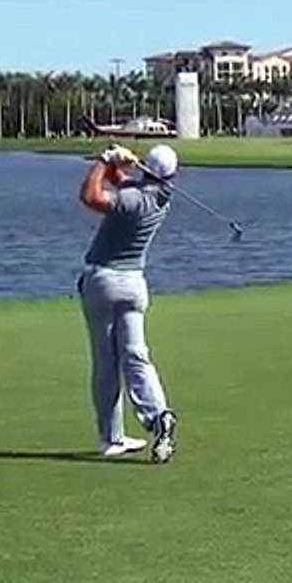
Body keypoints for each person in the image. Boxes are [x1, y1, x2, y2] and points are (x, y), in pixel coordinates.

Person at [76, 143, 180, 463]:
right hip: (134, 285)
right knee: (136, 356)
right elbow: (123, 183)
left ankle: (111, 438)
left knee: (106, 365)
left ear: (147, 170)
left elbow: (91, 196)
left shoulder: (132, 200)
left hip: (104, 282)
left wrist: (104, 161)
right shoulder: (163, 197)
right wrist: (123, 165)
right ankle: (158, 415)